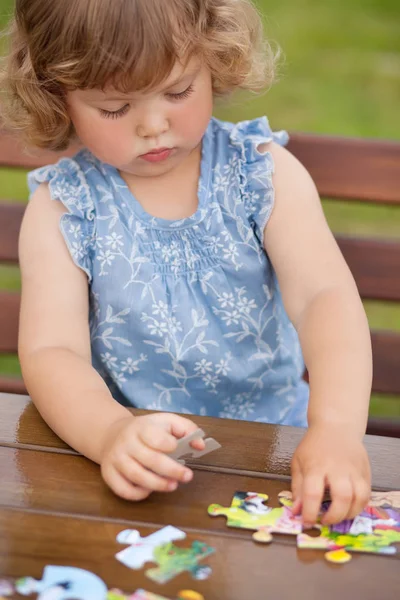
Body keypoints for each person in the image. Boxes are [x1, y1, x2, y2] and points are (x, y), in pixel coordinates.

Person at [1, 0, 372, 525]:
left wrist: (334, 428)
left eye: (178, 92)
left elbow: (323, 299)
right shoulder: (65, 207)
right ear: (56, 96)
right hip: (139, 458)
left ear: (214, 58)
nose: (154, 124)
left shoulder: (260, 175)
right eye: (114, 108)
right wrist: (109, 433)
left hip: (277, 452)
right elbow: (52, 350)